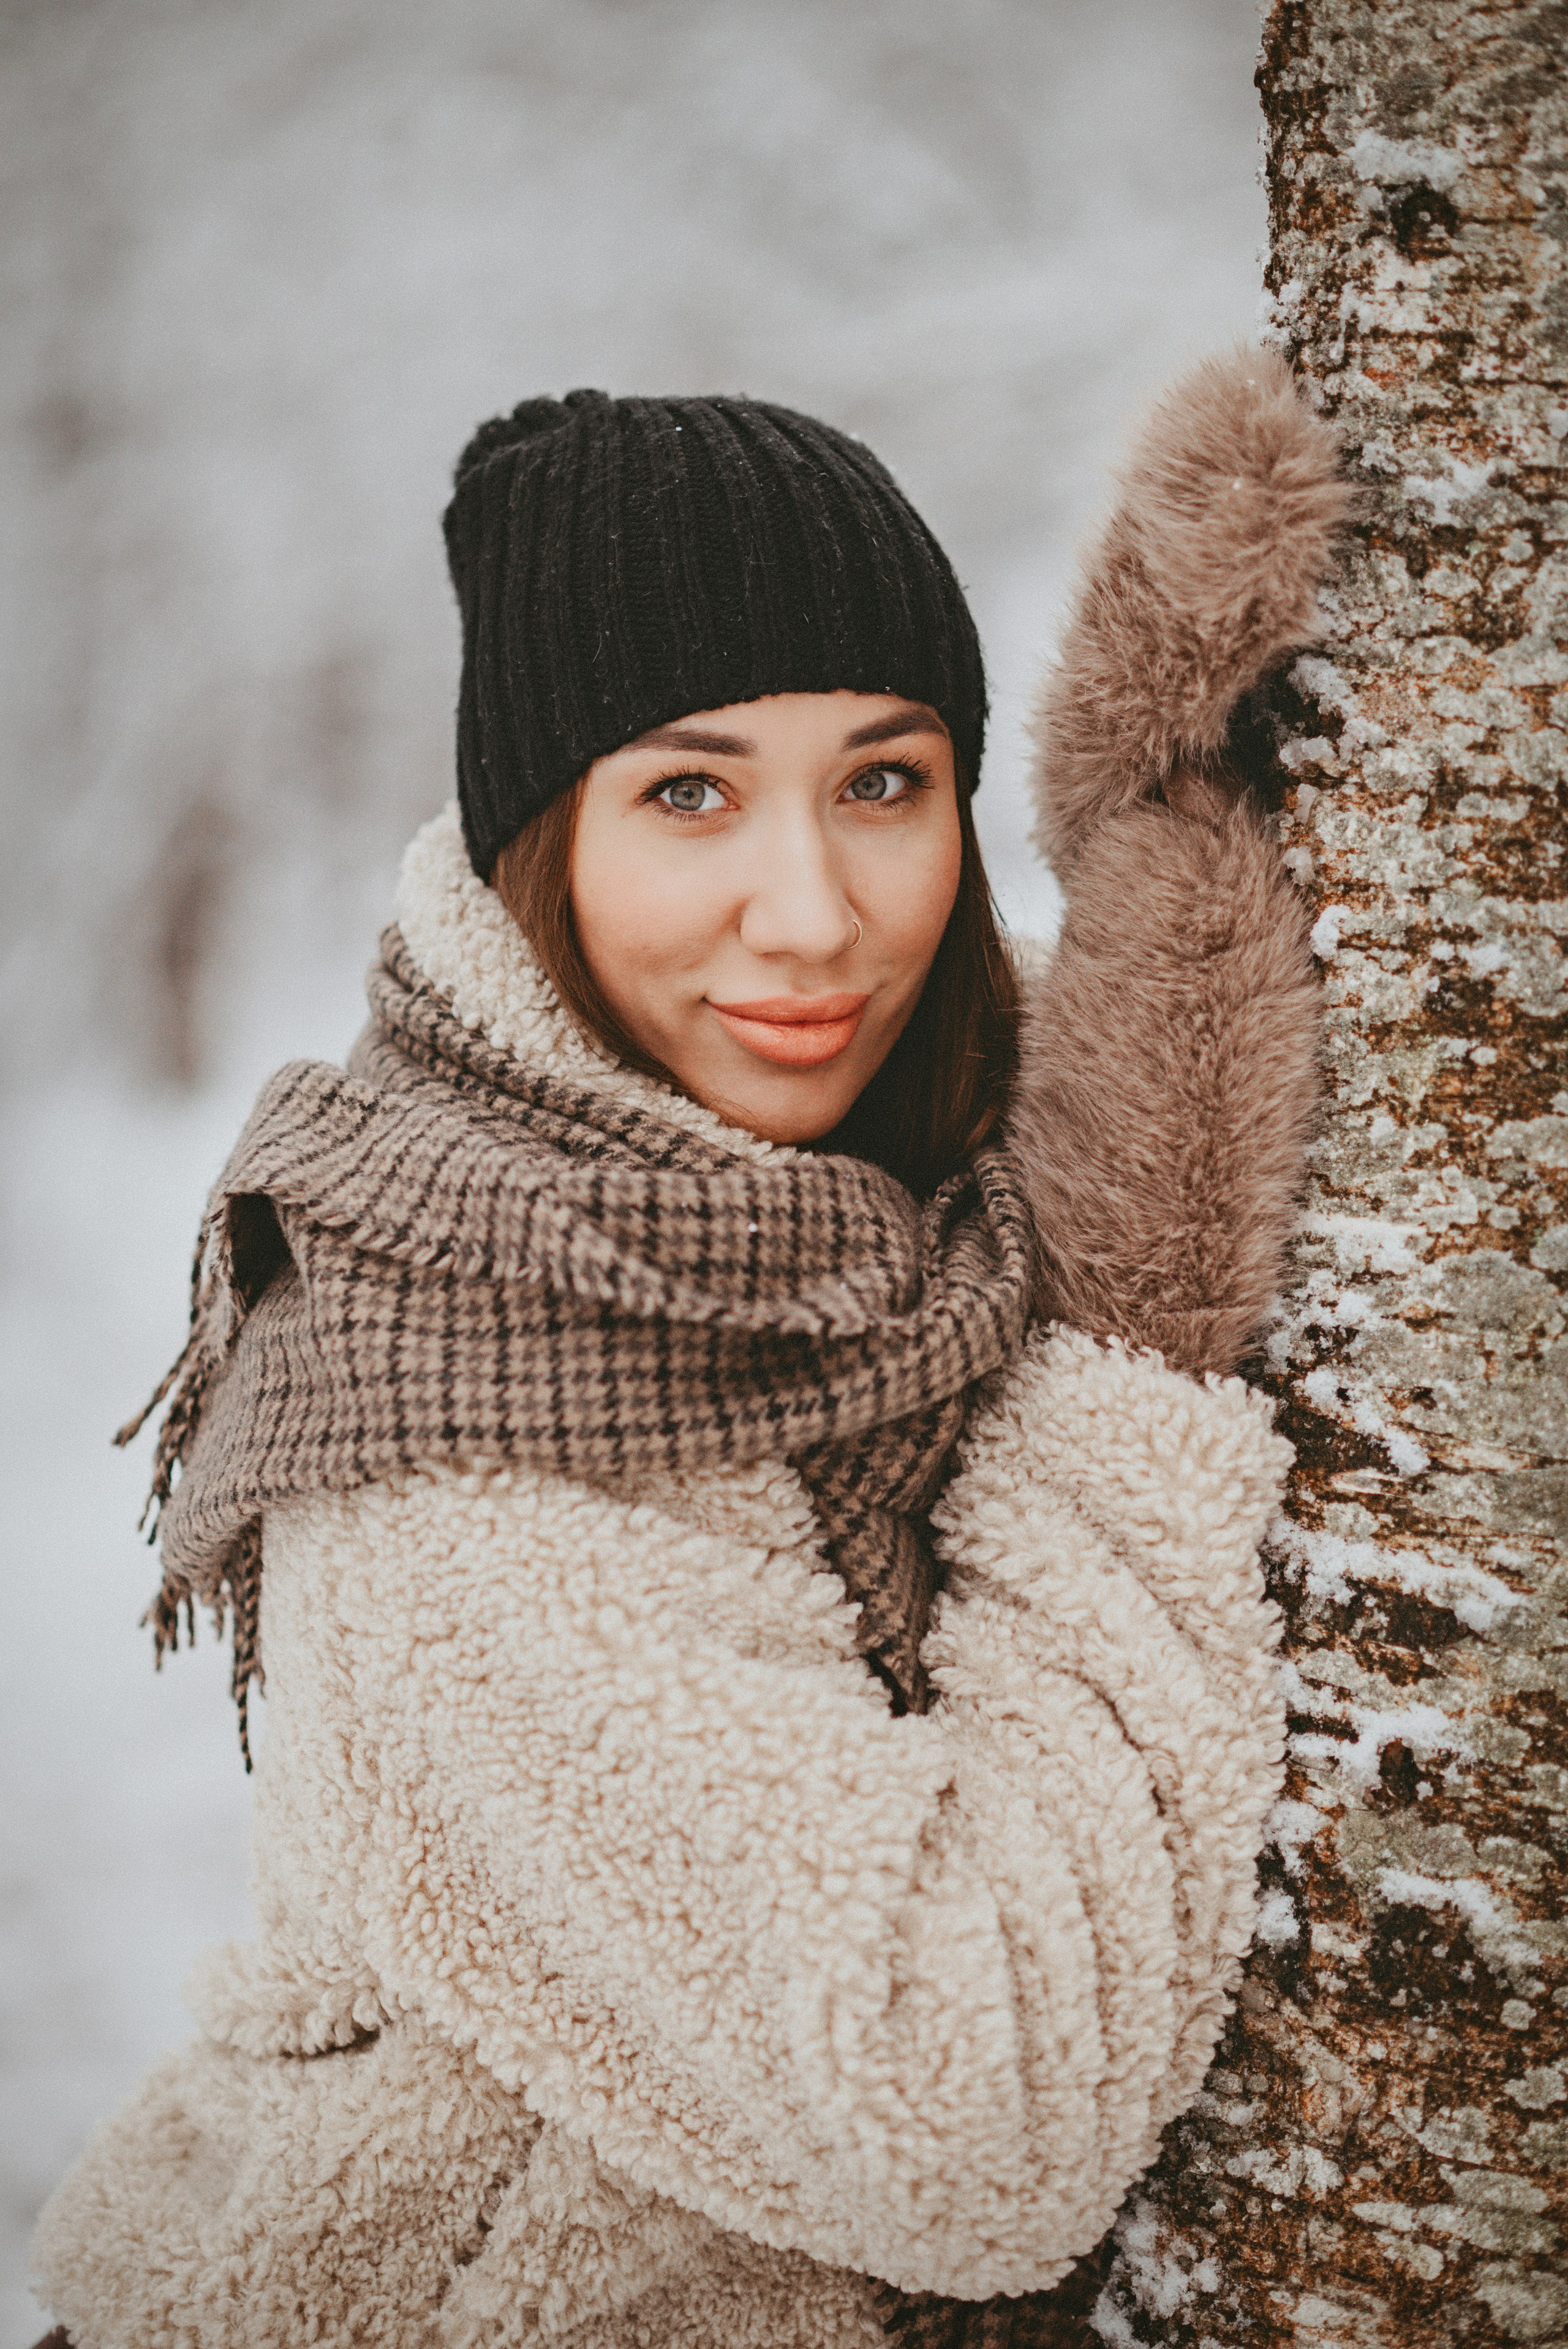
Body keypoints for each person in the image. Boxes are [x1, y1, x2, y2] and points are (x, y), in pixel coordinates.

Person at [30, 355, 1341, 2349]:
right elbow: (968, 2118)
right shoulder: (444, 1405)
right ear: (534, 841)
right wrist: (1139, 1357)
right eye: (690, 793)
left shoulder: (929, 1192)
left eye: (885, 783)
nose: (811, 914)